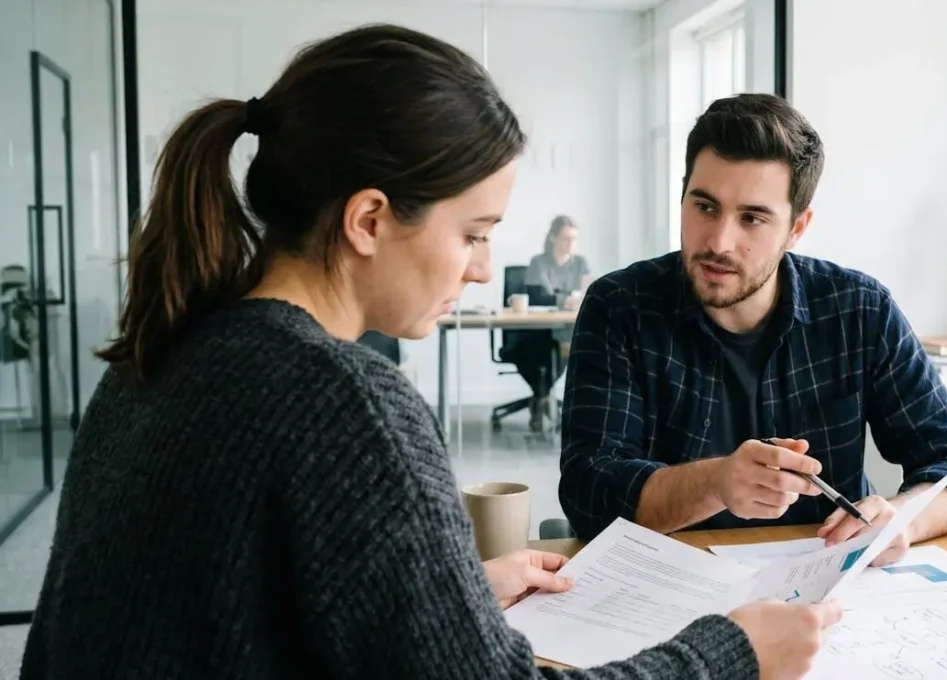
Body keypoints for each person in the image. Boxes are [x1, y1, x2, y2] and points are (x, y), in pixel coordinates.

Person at [20, 26, 840, 680]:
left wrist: (450, 599)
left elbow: (231, 613)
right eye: (473, 233)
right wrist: (732, 654)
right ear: (369, 220)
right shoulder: (345, 403)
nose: (482, 268)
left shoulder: (161, 349)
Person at [559, 94, 947, 562]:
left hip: (826, 585)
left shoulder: (859, 310)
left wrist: (903, 519)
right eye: (704, 207)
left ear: (797, 228)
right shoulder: (620, 306)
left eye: (752, 218)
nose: (719, 242)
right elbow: (589, 491)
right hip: (667, 583)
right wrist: (715, 483)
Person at [507, 216, 590, 432]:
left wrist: (564, 299)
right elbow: (539, 296)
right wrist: (564, 299)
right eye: (566, 238)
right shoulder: (539, 262)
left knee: (562, 348)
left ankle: (540, 397)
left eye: (574, 239)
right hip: (535, 331)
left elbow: (586, 293)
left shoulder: (580, 264)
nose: (570, 243)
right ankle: (544, 397)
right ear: (553, 237)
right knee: (538, 348)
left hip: (565, 331)